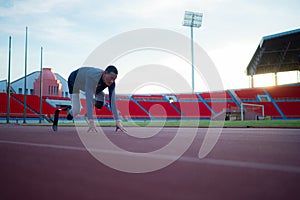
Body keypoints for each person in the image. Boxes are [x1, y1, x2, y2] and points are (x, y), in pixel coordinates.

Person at [67, 65, 126, 132]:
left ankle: (86, 115)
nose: (112, 81)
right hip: (74, 82)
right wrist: (91, 120)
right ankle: (70, 111)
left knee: (100, 102)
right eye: (111, 78)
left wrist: (117, 121)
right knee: (76, 110)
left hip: (93, 87)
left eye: (114, 79)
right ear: (105, 73)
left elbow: (112, 101)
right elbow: (89, 97)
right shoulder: (92, 77)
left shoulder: (111, 82)